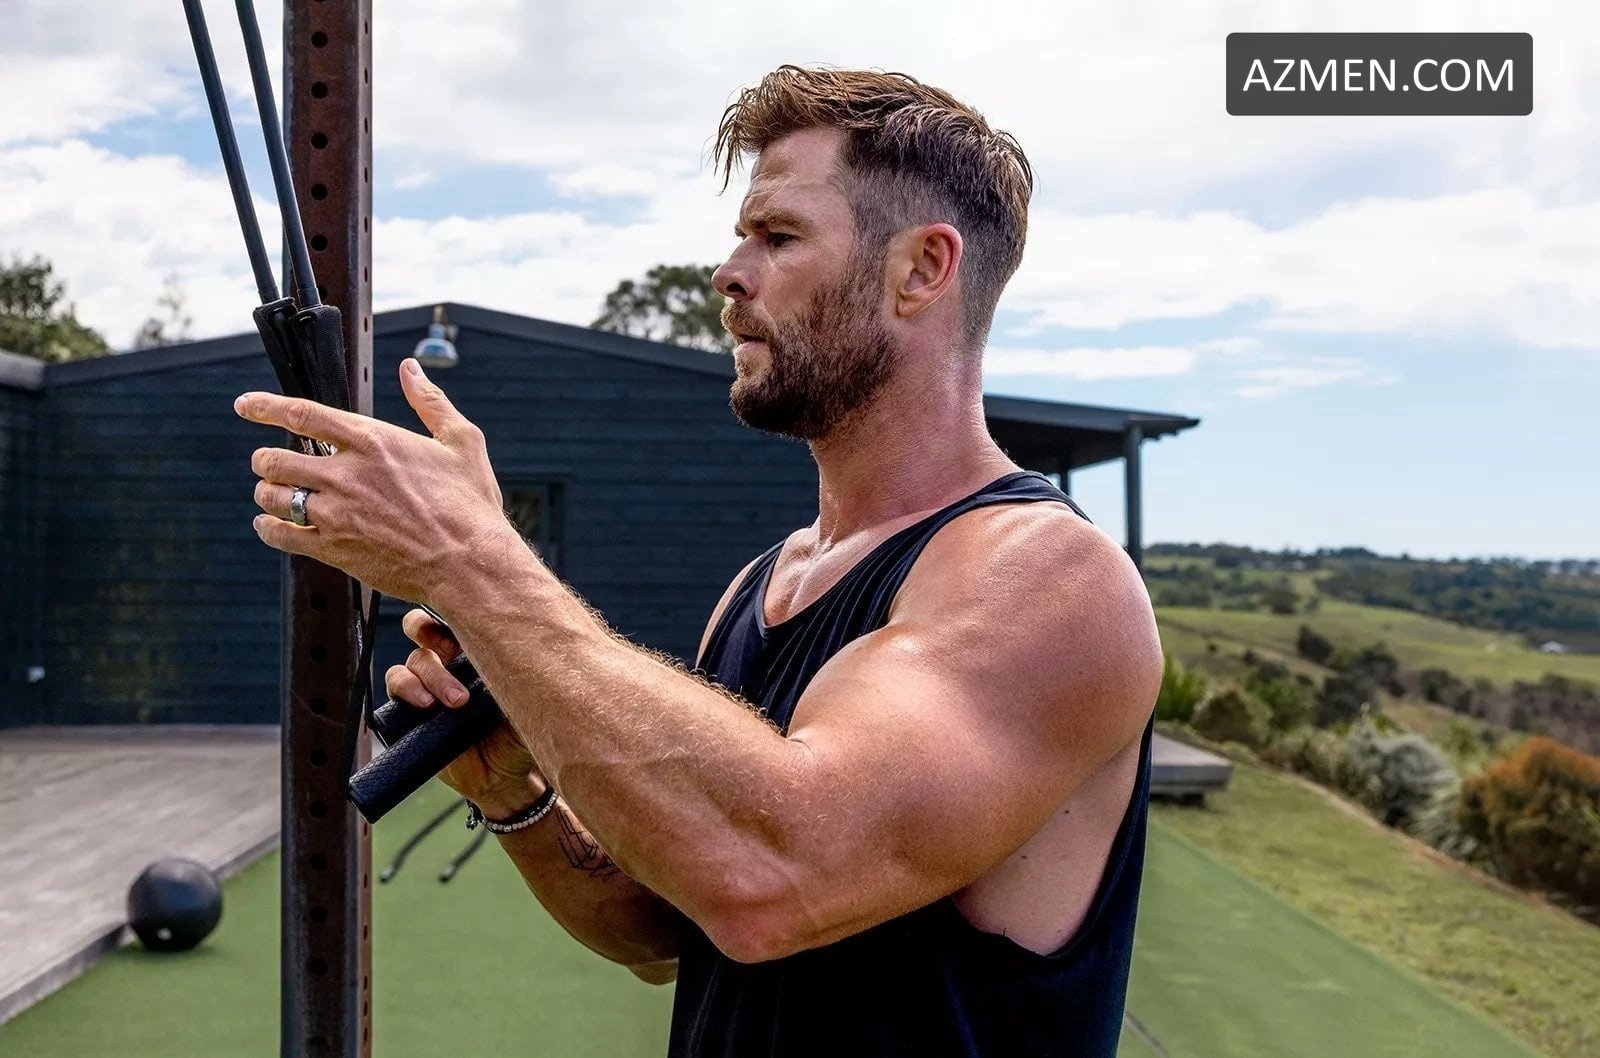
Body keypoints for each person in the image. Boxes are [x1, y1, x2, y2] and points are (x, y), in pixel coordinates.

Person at [237, 65, 1163, 1057]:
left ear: (921, 269)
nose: (729, 272)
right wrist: (517, 795)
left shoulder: (1052, 581)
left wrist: (466, 554)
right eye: (740, 237)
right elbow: (666, 926)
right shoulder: (766, 583)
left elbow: (773, 877)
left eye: (778, 237)